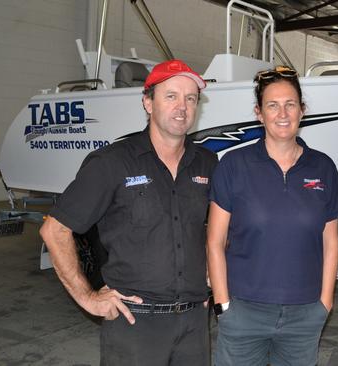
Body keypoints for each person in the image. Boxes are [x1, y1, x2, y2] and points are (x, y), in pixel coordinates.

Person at [39, 59, 218, 366]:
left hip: (194, 323)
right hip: (135, 325)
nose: (182, 107)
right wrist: (88, 298)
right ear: (148, 102)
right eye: (171, 96)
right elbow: (54, 230)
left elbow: (219, 227)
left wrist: (213, 269)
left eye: (191, 98)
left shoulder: (207, 163)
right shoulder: (113, 162)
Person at [207, 66, 338, 365]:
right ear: (259, 113)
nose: (282, 113)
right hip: (243, 313)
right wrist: (223, 306)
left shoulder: (323, 167)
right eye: (272, 105)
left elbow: (330, 242)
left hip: (305, 314)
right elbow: (215, 242)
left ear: (302, 110)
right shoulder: (233, 165)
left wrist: (325, 303)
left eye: (290, 104)